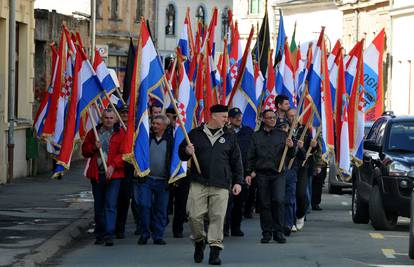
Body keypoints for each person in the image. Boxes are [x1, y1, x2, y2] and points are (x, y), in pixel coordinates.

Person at [179, 104, 243, 265]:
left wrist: (238, 182)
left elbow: (236, 161)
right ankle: (199, 241)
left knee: (218, 217)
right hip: (198, 181)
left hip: (221, 183)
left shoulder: (229, 136)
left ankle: (215, 250)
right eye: (223, 117)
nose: (226, 120)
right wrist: (186, 151)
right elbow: (182, 154)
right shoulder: (195, 134)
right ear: (213, 116)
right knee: (194, 215)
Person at [245, 109, 294, 244]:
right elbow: (250, 156)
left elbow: (291, 155)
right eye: (270, 118)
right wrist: (249, 172)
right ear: (263, 120)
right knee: (264, 204)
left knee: (278, 201)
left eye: (274, 117)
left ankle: (278, 232)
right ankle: (266, 233)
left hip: (278, 174)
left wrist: (291, 147)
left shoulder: (283, 135)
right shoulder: (256, 136)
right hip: (262, 174)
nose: (273, 119)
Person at [81, 108, 126, 246]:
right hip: (97, 174)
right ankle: (100, 233)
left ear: (116, 119)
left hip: (114, 176)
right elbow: (85, 151)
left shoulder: (121, 133)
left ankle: (109, 234)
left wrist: (113, 165)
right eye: (106, 117)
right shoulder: (94, 132)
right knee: (99, 206)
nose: (108, 120)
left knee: (110, 205)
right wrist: (94, 147)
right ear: (102, 118)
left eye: (111, 118)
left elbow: (124, 153)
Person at [135, 114, 173, 245]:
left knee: (161, 209)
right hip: (147, 180)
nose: (154, 126)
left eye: (158, 124)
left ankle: (158, 235)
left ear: (165, 126)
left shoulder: (171, 141)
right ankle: (145, 233)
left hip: (163, 181)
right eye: (153, 123)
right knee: (144, 206)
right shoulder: (146, 139)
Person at [224, 108, 253, 237]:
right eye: (235, 116)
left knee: (239, 202)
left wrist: (251, 171)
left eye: (240, 116)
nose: (238, 118)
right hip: (227, 171)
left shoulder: (248, 131)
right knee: (225, 202)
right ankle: (224, 227)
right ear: (229, 119)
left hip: (243, 171)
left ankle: (236, 227)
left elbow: (253, 152)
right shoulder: (224, 132)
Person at [114, 105, 141, 238]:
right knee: (114, 199)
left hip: (129, 168)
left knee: (126, 199)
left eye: (127, 112)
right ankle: (111, 226)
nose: (124, 115)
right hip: (114, 168)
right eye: (122, 112)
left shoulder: (136, 130)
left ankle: (120, 228)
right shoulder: (114, 128)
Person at [283, 109, 305, 236]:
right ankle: (288, 222)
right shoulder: (283, 130)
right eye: (290, 116)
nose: (293, 118)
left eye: (295, 116)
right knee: (287, 197)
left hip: (300, 168)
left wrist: (305, 147)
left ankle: (300, 215)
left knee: (301, 194)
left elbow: (304, 155)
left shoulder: (304, 130)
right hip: (285, 168)